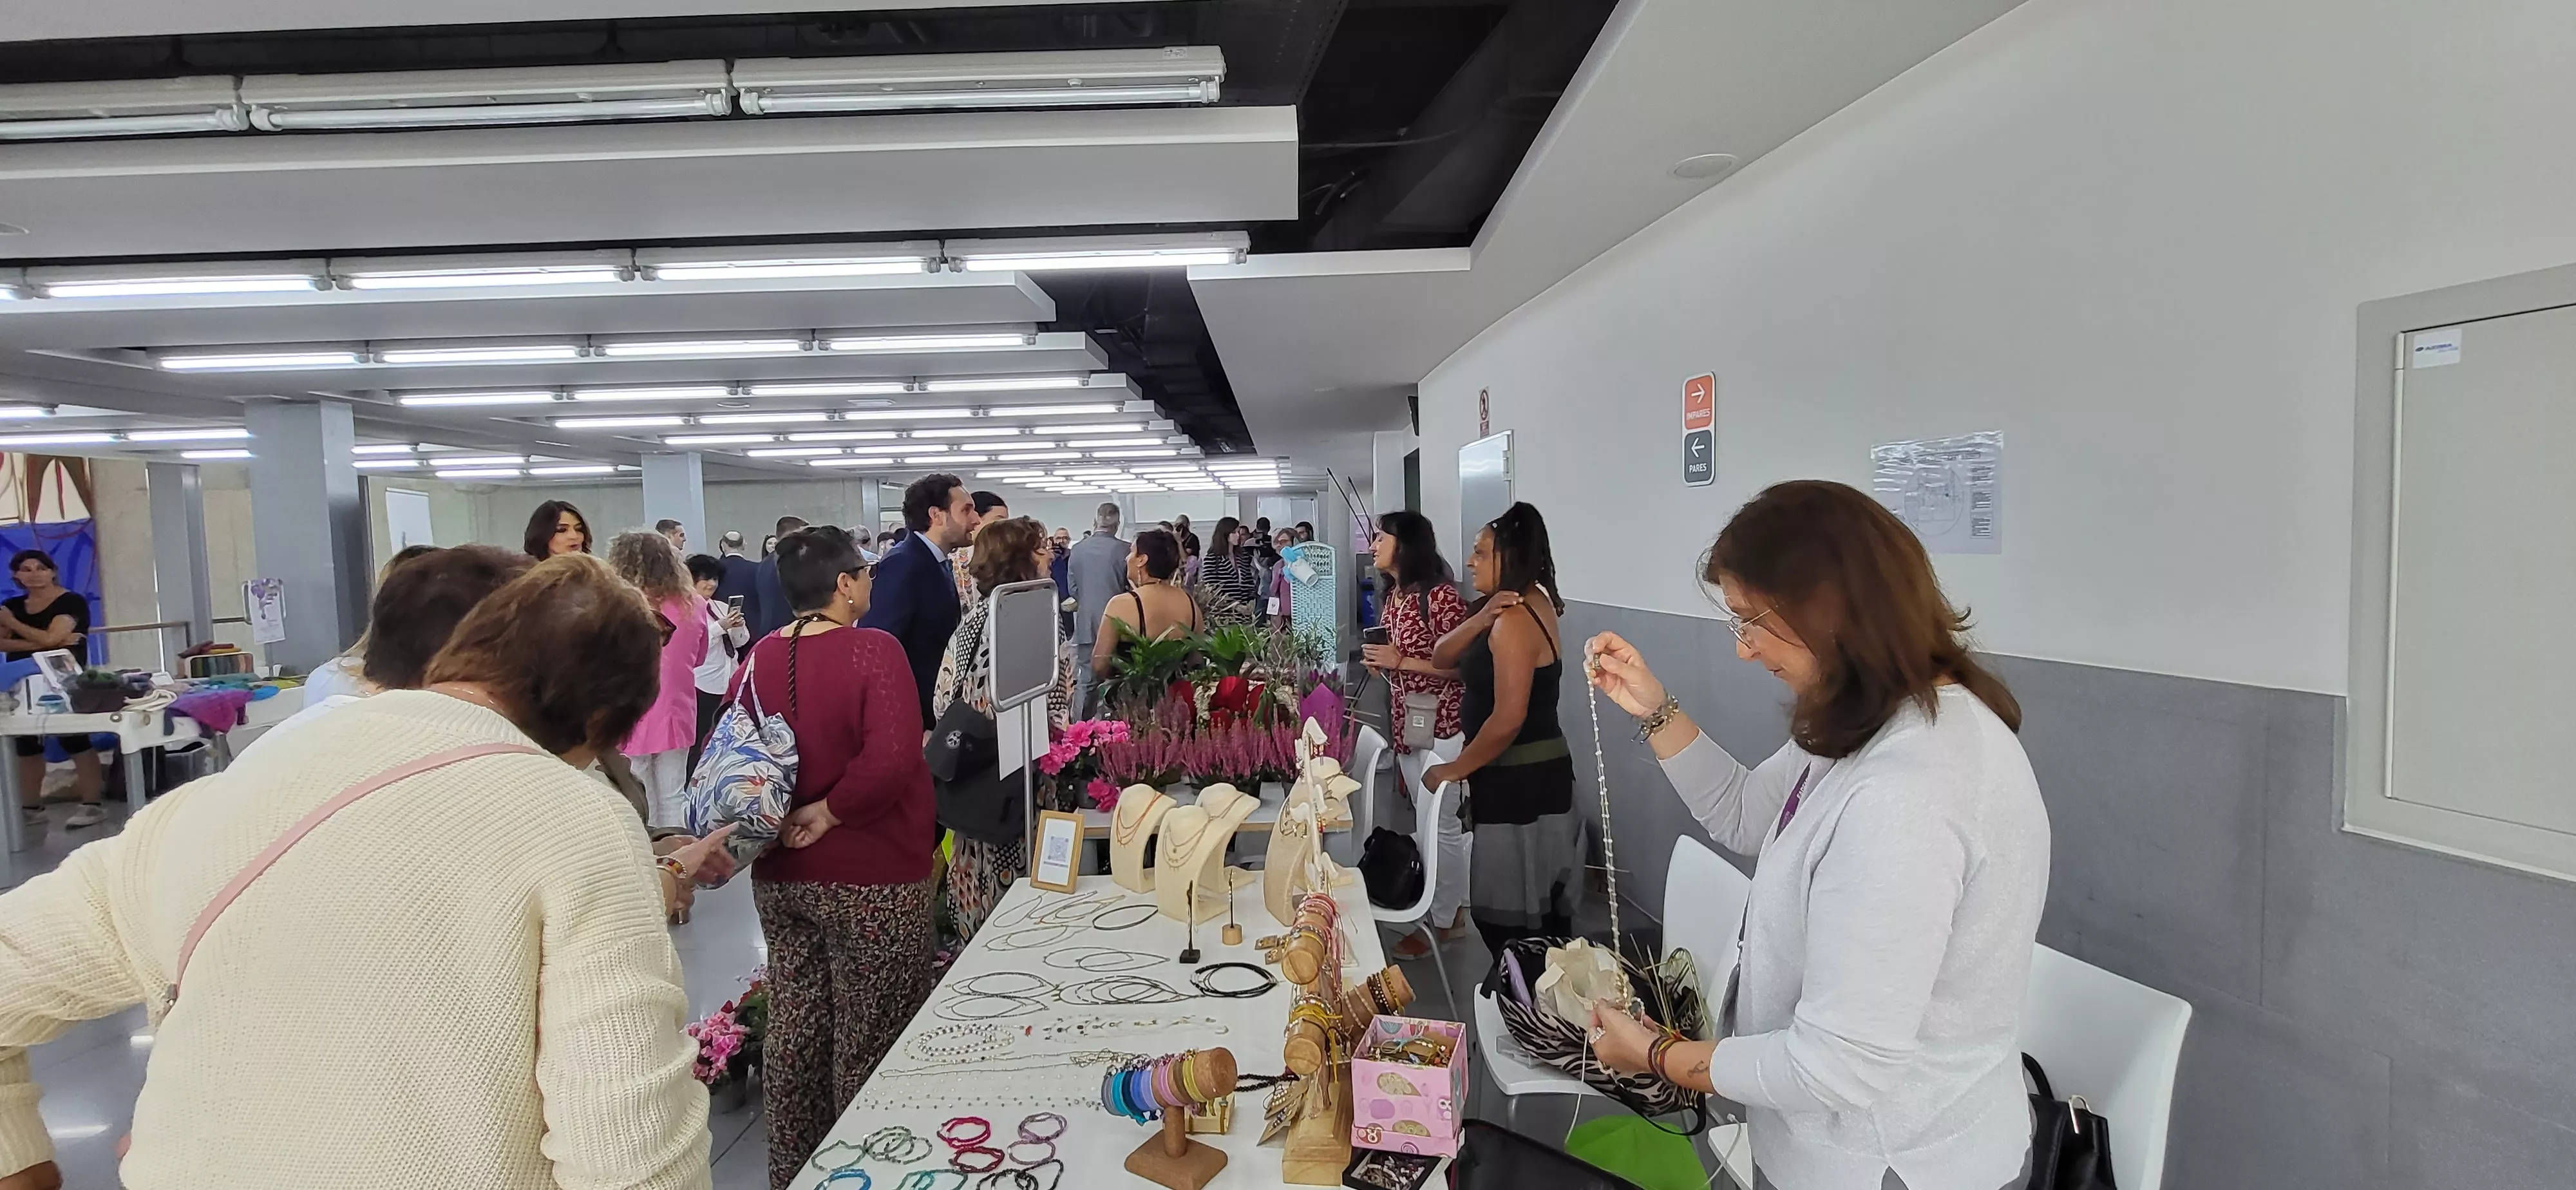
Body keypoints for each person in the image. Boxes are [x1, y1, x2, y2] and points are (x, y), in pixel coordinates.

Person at [0, 554, 726, 1190]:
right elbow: (627, 1151)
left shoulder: (207, 803)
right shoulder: (575, 817)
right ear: (603, 724)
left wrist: (21, 1161)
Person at [1583, 480, 2047, 1190]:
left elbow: (1838, 1065)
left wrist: (1657, 1056)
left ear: (1828, 612)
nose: (1742, 650)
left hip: (1888, 1161)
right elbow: (1744, 812)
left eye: (1749, 621)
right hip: (1836, 1140)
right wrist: (1651, 706)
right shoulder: (1869, 717)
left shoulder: (1907, 791)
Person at [740, 526, 935, 1190]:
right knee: (871, 1032)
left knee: (795, 1028)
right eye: (865, 574)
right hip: (869, 874)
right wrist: (830, 811)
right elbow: (889, 760)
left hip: (782, 876)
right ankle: (865, 1169)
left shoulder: (759, 657)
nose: (871, 585)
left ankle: (794, 1171)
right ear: (844, 585)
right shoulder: (872, 651)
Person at [1423, 502, 1577, 955]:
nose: (1470, 561)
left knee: (1514, 918)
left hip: (1524, 785)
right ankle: (1527, 1008)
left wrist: (1454, 769)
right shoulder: (1509, 609)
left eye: (1480, 552)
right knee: (1527, 916)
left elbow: (1509, 718)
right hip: (1519, 778)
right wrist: (1480, 617)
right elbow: (1440, 657)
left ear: (1509, 556)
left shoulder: (1516, 619)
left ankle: (1527, 1012)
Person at [933, 518, 1074, 943]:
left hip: (974, 778)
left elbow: (943, 700)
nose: (1049, 555)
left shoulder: (974, 619)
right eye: (1039, 549)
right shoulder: (1039, 617)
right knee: (1026, 892)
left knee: (980, 885)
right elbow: (1057, 709)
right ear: (1020, 560)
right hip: (1023, 781)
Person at [1361, 511, 1471, 955]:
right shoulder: (1394, 598)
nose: (1372, 545)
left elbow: (1465, 669)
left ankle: (1447, 918)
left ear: (1404, 544)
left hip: (1445, 726)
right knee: (1424, 822)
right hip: (1409, 726)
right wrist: (1383, 663)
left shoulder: (1440, 598)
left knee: (1441, 822)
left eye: (1380, 537)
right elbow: (1396, 656)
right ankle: (1439, 907)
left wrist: (1402, 663)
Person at [0, 549, 103, 831]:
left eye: (40, 568)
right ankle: (31, 807)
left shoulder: (71, 601)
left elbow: (55, 637)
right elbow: (5, 643)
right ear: (16, 575)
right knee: (26, 745)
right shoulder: (13, 604)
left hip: (63, 678)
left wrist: (13, 626)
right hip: (22, 681)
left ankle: (92, 803)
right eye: (26, 569)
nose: (34, 574)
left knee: (75, 739)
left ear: (52, 571)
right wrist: (43, 644)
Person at [609, 531, 706, 828]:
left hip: (630, 707)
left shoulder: (616, 605)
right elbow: (699, 658)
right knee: (675, 792)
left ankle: (649, 858)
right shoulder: (695, 604)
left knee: (638, 790)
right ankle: (678, 856)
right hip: (678, 707)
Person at [859, 473, 973, 726]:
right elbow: (879, 646)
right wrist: (908, 724)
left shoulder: (938, 561)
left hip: (936, 708)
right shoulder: (904, 563)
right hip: (914, 718)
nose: (975, 520)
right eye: (966, 510)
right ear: (937, 516)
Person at [1091, 528, 1201, 684]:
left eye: (1131, 552)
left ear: (1142, 560)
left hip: (1134, 701)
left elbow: (1099, 666)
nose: (1127, 559)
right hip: (1178, 699)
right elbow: (1197, 661)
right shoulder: (1190, 603)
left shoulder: (1121, 605)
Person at [1066, 504, 1133, 715]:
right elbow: (1130, 588)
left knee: (1085, 681)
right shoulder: (1125, 549)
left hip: (1087, 623)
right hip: (1119, 626)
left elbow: (1073, 588)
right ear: (1117, 524)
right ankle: (1116, 728)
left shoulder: (1077, 550)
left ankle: (1079, 732)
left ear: (1096, 522)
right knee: (1119, 679)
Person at [686, 553, 750, 770]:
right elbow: (692, 642)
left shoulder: (721, 606)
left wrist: (738, 625)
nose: (711, 584)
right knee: (699, 739)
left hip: (728, 679)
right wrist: (720, 627)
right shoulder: (687, 611)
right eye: (705, 578)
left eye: (715, 579)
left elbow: (742, 641)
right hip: (702, 682)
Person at [750, 515, 808, 641]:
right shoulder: (790, 560)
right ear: (793, 533)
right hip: (789, 632)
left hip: (769, 631)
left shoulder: (765, 562)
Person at [951, 491, 1010, 607]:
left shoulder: (999, 555)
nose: (1004, 527)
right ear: (976, 519)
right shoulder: (957, 556)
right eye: (998, 520)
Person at [1200, 516, 1262, 610]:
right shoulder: (1212, 559)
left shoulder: (1243, 556)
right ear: (1225, 534)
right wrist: (1234, 606)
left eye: (1239, 532)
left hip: (1245, 614)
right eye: (1234, 533)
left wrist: (1251, 601)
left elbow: (1249, 582)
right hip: (1224, 614)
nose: (1238, 536)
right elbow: (1211, 590)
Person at [522, 499, 592, 558]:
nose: (574, 536)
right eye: (562, 530)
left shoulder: (595, 572)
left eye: (579, 529)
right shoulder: (527, 573)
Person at [714, 530, 761, 609]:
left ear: (723, 545)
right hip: (752, 618)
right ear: (744, 545)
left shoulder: (713, 569)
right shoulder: (758, 569)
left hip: (721, 616)